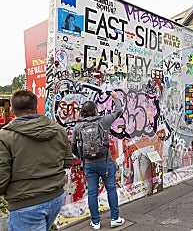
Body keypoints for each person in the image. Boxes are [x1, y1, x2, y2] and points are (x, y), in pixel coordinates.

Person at [0, 90, 73, 231]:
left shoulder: (5, 136)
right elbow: (67, 161)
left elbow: (2, 177)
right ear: (36, 107)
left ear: (13, 110)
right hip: (55, 196)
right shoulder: (58, 130)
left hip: (24, 204)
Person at [72, 91, 125, 230]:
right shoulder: (103, 121)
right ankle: (115, 218)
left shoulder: (78, 127)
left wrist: (83, 158)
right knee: (111, 188)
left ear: (82, 112)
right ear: (95, 110)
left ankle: (95, 222)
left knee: (92, 193)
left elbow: (73, 147)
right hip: (105, 162)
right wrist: (115, 98)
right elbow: (118, 111)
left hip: (89, 164)